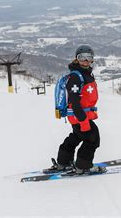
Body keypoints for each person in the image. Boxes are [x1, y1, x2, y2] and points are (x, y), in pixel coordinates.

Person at [47, 45, 105, 174]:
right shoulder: (75, 77)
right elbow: (74, 101)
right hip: (79, 115)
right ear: (76, 59)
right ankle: (83, 166)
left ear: (92, 59)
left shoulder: (86, 74)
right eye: (82, 57)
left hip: (80, 115)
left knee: (76, 137)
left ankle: (64, 162)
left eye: (88, 57)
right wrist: (83, 120)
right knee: (92, 139)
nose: (85, 60)